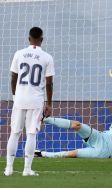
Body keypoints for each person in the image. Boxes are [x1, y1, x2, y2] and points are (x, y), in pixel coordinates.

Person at [4, 27, 55, 176]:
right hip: (36, 100)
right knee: (31, 133)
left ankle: (9, 168)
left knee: (15, 132)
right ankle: (27, 169)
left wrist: (15, 95)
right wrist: (49, 103)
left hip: (19, 98)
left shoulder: (19, 54)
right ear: (42, 39)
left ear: (29, 39)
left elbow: (13, 77)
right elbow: (49, 83)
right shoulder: (47, 57)